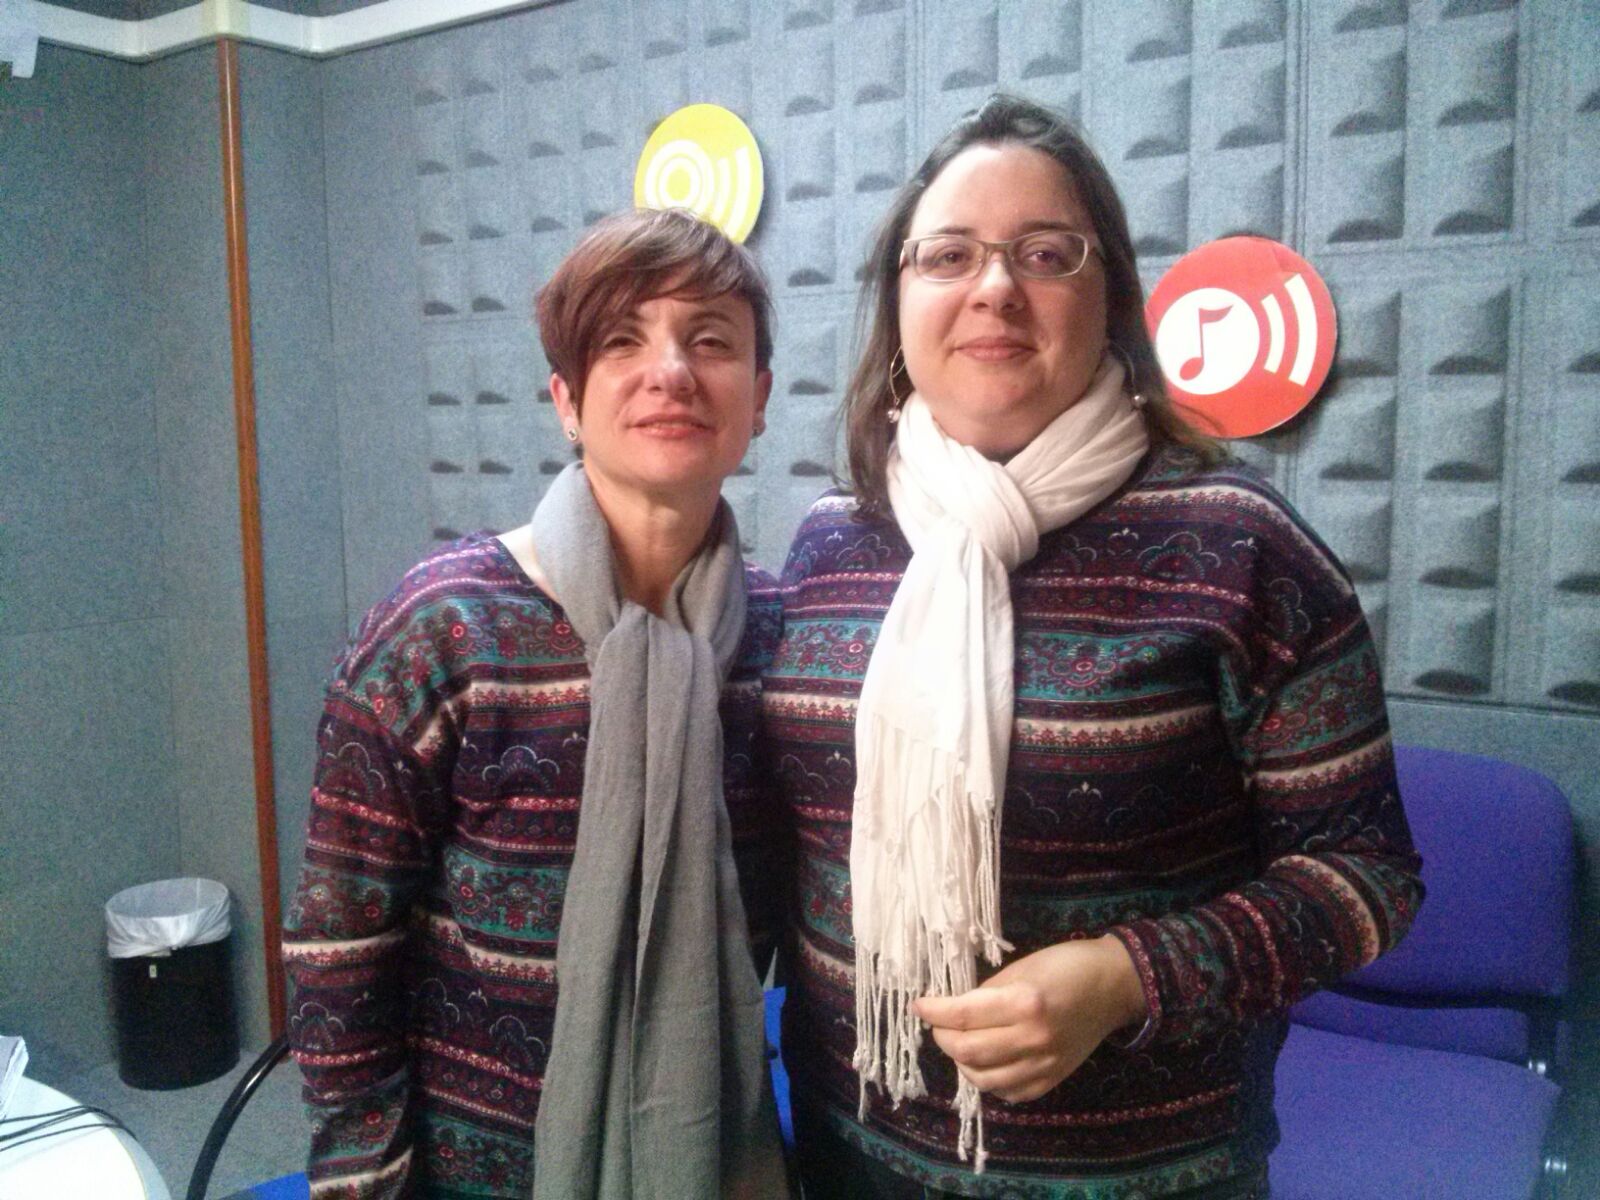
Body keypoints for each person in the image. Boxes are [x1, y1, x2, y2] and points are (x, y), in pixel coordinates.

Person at [761, 93, 1423, 1199]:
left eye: (1045, 253)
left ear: (1110, 294)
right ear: (898, 299)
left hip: (1143, 1173)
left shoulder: (1242, 546)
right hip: (849, 1148)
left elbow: (1369, 875)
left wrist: (1127, 978)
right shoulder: (834, 540)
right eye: (949, 255)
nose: (994, 287)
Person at [283, 207, 791, 1200]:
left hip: (715, 1152)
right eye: (623, 341)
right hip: (473, 1171)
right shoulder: (443, 627)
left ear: (761, 397)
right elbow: (340, 944)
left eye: (710, 341)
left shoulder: (782, 637)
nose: (671, 371)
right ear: (566, 399)